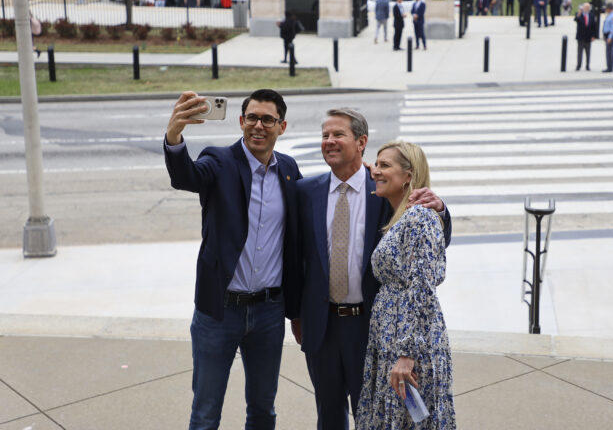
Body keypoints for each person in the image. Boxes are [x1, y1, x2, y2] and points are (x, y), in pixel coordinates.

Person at [294, 109, 451, 430]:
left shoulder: (385, 191)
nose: (329, 141)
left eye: (338, 134)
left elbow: (428, 251)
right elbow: (294, 257)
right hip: (321, 327)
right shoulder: (304, 191)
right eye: (325, 135)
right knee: (329, 414)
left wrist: (441, 209)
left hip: (371, 329)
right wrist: (295, 315)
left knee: (378, 416)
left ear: (361, 141)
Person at [164, 89, 303, 430]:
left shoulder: (288, 170)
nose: (258, 125)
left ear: (281, 126)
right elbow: (187, 177)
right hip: (219, 312)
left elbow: (301, 234)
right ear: (241, 122)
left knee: (262, 410)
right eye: (252, 118)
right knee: (206, 412)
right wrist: (174, 136)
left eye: (267, 119)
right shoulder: (220, 161)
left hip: (269, 311)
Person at [355, 141, 456, 430]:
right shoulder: (401, 217)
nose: (376, 171)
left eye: (385, 165)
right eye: (376, 164)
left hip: (407, 344)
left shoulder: (419, 218)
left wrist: (406, 354)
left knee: (409, 420)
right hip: (390, 338)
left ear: (409, 176)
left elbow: (422, 288)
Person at [574, 3, 598, 71]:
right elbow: (576, 19)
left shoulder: (591, 15)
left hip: (588, 37)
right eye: (585, 8)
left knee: (588, 53)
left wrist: (594, 36)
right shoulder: (579, 14)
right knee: (579, 52)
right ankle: (578, 65)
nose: (586, 9)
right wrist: (579, 14)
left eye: (587, 8)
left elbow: (594, 27)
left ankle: (587, 65)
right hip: (581, 37)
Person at [602, 2, 613, 72]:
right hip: (607, 35)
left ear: (609, 9)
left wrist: (610, 37)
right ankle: (609, 66)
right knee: (608, 51)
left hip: (610, 35)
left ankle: (610, 67)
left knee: (609, 51)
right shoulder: (609, 15)